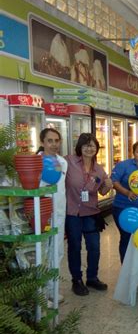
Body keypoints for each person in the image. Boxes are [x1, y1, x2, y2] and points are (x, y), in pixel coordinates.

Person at [65, 133, 113, 296]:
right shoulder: (69, 162)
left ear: (96, 148)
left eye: (92, 145)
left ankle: (92, 277)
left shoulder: (99, 169)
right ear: (80, 147)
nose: (89, 148)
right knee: (75, 247)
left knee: (94, 247)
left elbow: (103, 191)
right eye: (85, 145)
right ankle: (76, 280)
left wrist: (108, 186)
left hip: (91, 213)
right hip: (72, 212)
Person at [38, 128, 68, 302]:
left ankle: (52, 290)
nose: (54, 144)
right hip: (41, 213)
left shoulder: (62, 162)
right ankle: (40, 294)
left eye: (57, 140)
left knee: (57, 252)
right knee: (41, 252)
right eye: (50, 141)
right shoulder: (36, 162)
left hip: (59, 213)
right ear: (42, 142)